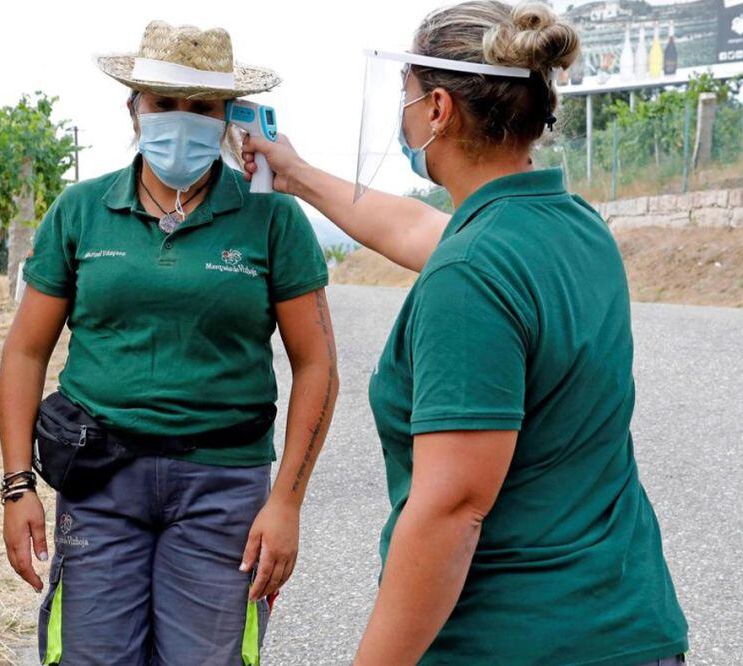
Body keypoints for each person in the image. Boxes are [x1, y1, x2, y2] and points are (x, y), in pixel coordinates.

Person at [241, 2, 688, 664]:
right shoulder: (573, 227)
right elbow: (416, 231)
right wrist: (295, 173)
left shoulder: (472, 271)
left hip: (518, 642)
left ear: (439, 110)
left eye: (408, 97)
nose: (404, 115)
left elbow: (451, 511)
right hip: (631, 626)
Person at [0, 20, 338, 666]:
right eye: (164, 103)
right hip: (99, 484)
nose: (182, 120)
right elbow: (24, 353)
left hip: (224, 489)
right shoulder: (81, 211)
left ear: (230, 117)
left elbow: (317, 363)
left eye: (202, 107)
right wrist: (18, 488)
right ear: (133, 109)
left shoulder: (273, 219)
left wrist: (287, 501)